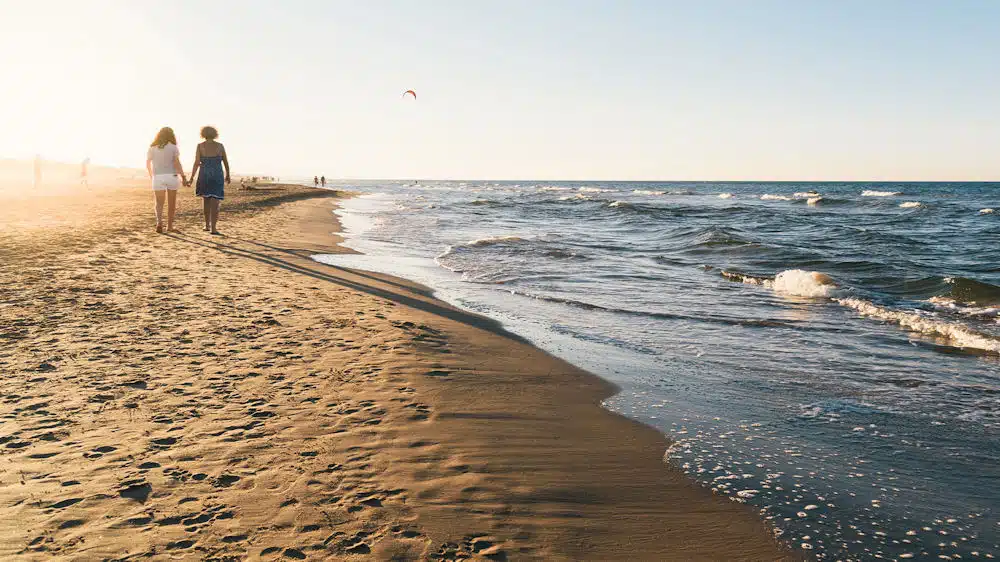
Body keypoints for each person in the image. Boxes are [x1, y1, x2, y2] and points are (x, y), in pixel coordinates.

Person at [190, 126, 230, 235]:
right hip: (217, 174)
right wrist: (228, 174)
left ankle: (207, 225)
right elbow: (225, 161)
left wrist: (191, 177)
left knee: (206, 201)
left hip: (204, 174)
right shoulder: (220, 146)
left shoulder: (200, 146)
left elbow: (196, 163)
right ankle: (214, 228)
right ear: (215, 134)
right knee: (215, 202)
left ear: (203, 134)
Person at [146, 127, 187, 233]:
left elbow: (148, 163)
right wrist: (183, 176)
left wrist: (152, 175)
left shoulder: (152, 148)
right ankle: (169, 226)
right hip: (171, 176)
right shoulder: (173, 147)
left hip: (158, 177)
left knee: (159, 203)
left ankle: (159, 223)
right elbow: (177, 163)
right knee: (171, 203)